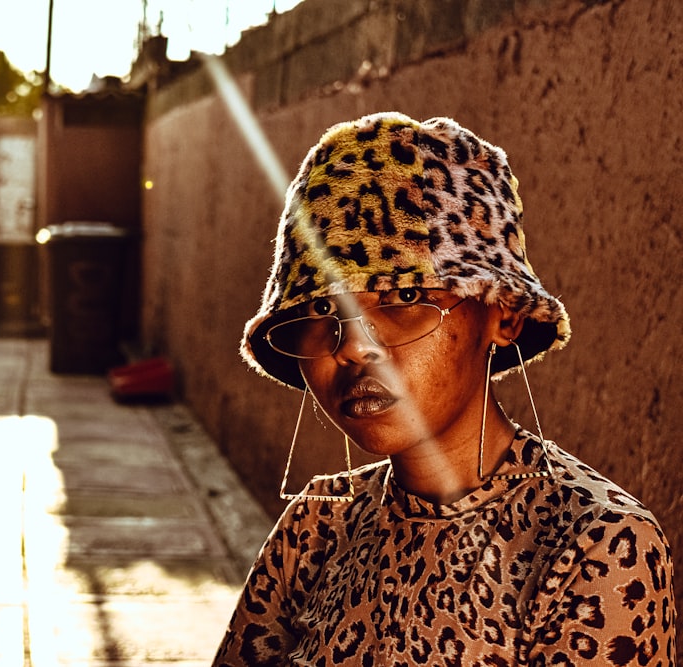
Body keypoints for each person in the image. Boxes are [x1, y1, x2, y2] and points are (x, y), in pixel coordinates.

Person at [213, 112, 676, 665]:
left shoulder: (592, 548)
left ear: (501, 315)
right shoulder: (317, 526)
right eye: (320, 310)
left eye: (404, 297)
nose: (353, 346)